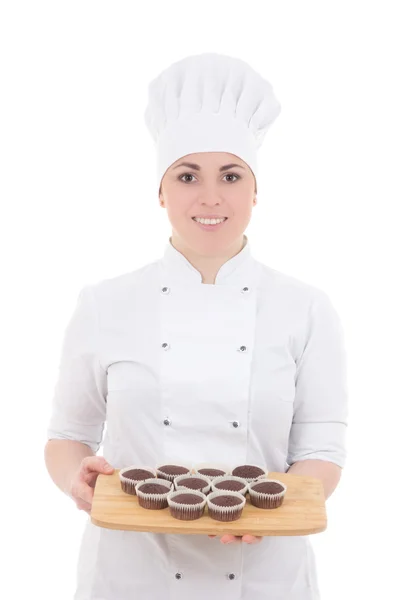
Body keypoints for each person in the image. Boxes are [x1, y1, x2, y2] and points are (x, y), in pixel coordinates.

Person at [44, 52, 348, 600]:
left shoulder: (306, 308)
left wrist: (275, 512)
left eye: (231, 176)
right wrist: (76, 479)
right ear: (161, 192)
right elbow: (67, 436)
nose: (211, 196)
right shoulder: (103, 304)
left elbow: (323, 447)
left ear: (255, 192)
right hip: (131, 573)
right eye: (188, 176)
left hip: (264, 576)